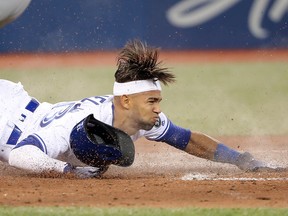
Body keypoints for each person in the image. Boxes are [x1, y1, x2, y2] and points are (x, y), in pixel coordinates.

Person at [0, 39, 278, 178]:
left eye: (158, 101)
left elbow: (188, 140)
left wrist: (241, 159)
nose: (158, 110)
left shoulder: (143, 119)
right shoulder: (81, 121)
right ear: (126, 101)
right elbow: (22, 154)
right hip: (6, 117)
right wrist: (69, 172)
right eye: (152, 101)